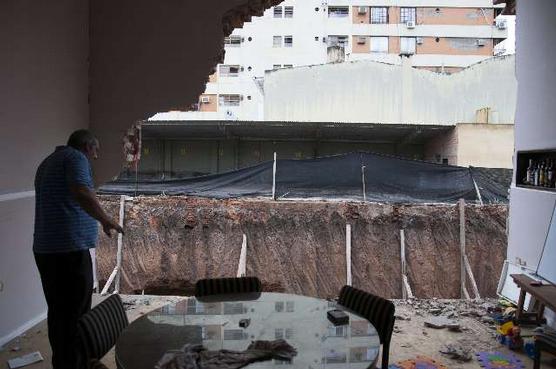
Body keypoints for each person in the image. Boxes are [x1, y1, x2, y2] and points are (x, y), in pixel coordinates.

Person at [33, 129, 124, 369]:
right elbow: (82, 192)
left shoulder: (48, 162)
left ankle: (64, 362)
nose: (95, 157)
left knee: (59, 311)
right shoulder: (76, 159)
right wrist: (106, 220)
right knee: (76, 312)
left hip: (48, 249)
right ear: (87, 147)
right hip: (68, 250)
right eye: (95, 151)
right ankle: (76, 364)